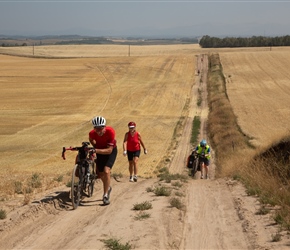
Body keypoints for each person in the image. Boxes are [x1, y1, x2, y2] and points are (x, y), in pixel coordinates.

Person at [89, 116, 117, 205]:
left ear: (104, 127)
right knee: (100, 174)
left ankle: (105, 195)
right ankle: (108, 187)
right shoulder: (92, 133)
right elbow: (91, 139)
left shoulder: (110, 131)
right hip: (100, 151)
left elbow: (109, 150)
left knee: (106, 171)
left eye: (101, 128)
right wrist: (95, 146)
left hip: (110, 151)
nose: (99, 131)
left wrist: (95, 150)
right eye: (97, 129)